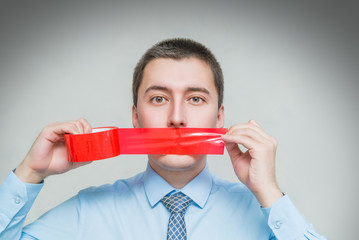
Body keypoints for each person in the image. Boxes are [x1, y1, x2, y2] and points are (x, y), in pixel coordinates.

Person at [0, 38, 326, 239]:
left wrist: (269, 192)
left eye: (196, 99)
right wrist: (30, 173)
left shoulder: (265, 216)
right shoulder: (87, 212)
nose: (176, 117)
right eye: (159, 99)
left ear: (219, 118)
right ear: (135, 117)